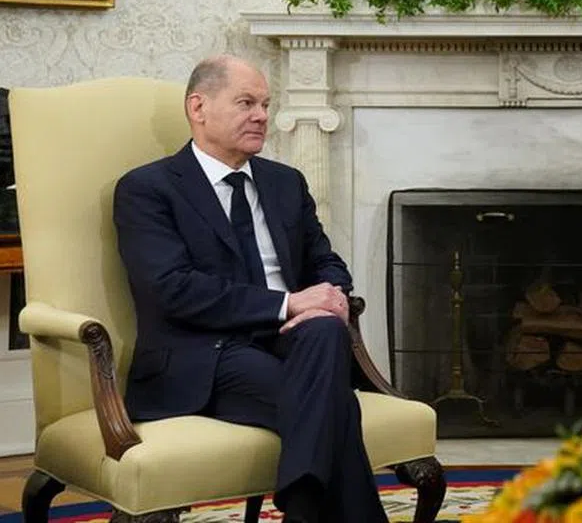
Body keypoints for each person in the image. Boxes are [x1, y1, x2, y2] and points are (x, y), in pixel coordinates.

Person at [113, 55, 383, 523]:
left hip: (290, 340)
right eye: (246, 103)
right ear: (198, 108)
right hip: (204, 354)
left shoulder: (285, 183)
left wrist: (333, 296)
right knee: (334, 406)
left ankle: (302, 505)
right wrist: (288, 303)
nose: (262, 115)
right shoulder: (148, 188)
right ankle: (305, 506)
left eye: (265, 104)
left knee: (326, 332)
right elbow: (172, 289)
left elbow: (325, 261)